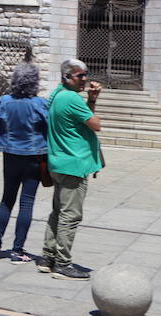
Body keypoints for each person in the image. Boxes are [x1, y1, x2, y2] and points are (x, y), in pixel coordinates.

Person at [39, 59, 104, 280]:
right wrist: (91, 103)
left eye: (86, 74)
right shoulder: (72, 98)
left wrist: (91, 99)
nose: (85, 79)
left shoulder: (57, 95)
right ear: (67, 77)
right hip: (73, 164)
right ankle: (63, 264)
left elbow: (81, 119)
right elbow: (95, 124)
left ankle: (48, 258)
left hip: (58, 162)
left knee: (58, 212)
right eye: (80, 76)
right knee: (71, 215)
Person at [0, 62, 50, 263]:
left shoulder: (4, 101)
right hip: (34, 157)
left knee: (6, 200)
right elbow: (51, 131)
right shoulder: (40, 104)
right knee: (26, 203)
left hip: (10, 155)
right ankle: (17, 250)